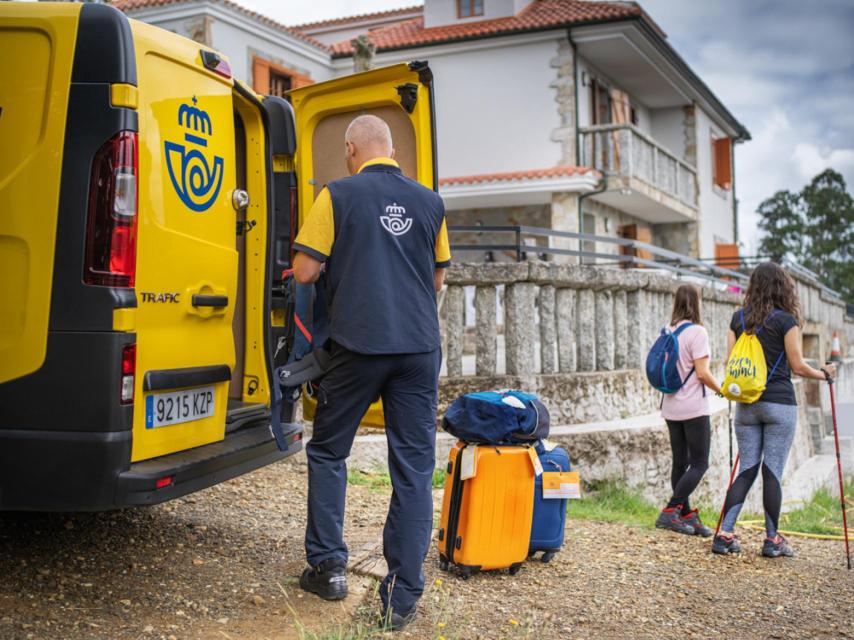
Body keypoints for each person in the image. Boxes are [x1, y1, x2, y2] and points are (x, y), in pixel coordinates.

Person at [291, 114, 450, 631]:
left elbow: (305, 270)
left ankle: (329, 567)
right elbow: (439, 277)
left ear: (352, 149)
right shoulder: (431, 202)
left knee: (330, 450)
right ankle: (401, 597)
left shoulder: (336, 194)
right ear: (392, 151)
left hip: (359, 346)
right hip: (419, 349)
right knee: (412, 470)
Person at [712, 262, 836, 557]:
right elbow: (797, 365)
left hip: (746, 404)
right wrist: (824, 374)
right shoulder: (786, 321)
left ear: (753, 287)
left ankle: (725, 533)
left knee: (747, 469)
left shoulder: (737, 320)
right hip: (779, 402)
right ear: (783, 287)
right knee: (772, 471)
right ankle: (772, 540)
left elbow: (733, 362)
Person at [655, 284, 722, 537]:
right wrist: (722, 390)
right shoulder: (698, 332)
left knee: (680, 463)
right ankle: (670, 511)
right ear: (697, 302)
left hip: (671, 407)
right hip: (693, 408)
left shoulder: (667, 330)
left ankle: (685, 514)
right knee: (700, 463)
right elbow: (703, 373)